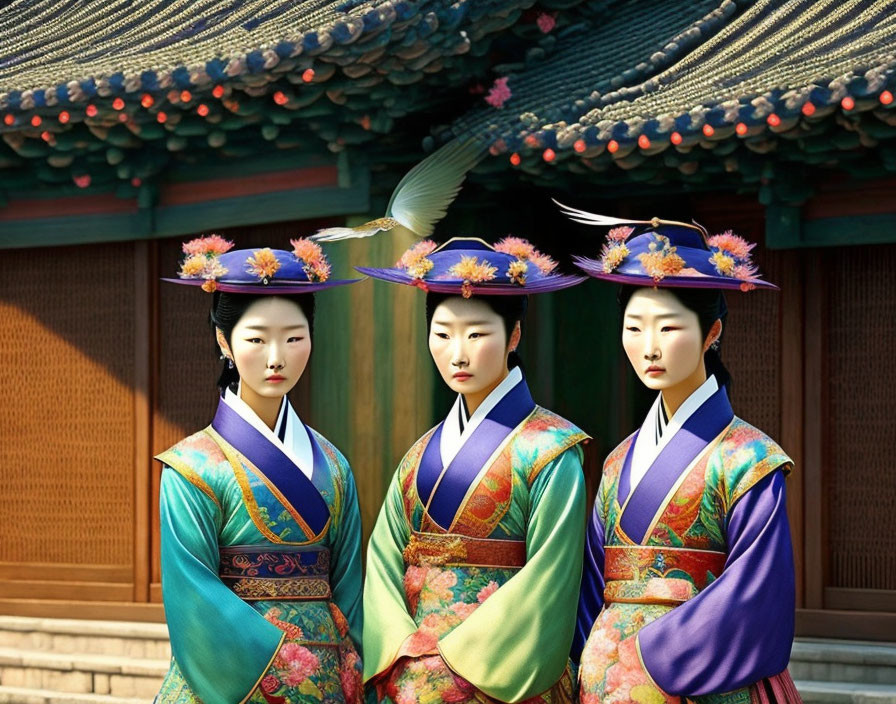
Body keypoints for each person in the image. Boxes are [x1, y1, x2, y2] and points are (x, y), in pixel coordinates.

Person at [556, 205, 802, 704]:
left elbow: (757, 596)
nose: (649, 347)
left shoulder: (749, 458)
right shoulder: (618, 460)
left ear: (712, 334)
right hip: (605, 682)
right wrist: (589, 663)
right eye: (634, 327)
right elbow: (591, 586)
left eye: (667, 328)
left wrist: (649, 658)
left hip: (695, 683)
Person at [358, 236, 589, 704]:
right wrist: (403, 647)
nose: (458, 354)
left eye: (477, 334)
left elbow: (551, 576)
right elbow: (384, 560)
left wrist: (454, 661)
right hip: (411, 670)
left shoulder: (551, 449)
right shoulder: (418, 455)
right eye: (442, 334)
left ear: (515, 336)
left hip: (497, 672)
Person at [154, 236, 364, 704]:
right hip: (237, 682)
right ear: (223, 340)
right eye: (256, 339)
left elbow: (349, 588)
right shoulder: (191, 468)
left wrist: (350, 667)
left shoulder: (333, 465)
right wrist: (281, 670)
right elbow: (194, 597)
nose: (276, 358)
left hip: (327, 679)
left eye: (293, 338)